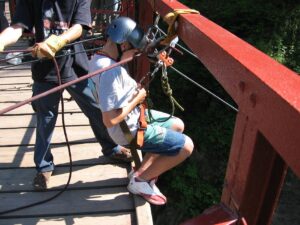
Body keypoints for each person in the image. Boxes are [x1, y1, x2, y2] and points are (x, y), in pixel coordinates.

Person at [0, 0, 132, 191]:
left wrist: (59, 40)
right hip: (44, 69)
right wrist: (3, 39)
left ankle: (112, 148)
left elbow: (80, 26)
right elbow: (18, 26)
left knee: (96, 108)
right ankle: (44, 167)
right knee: (46, 118)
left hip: (75, 66)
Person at [89, 17, 194, 205]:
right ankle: (140, 181)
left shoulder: (98, 59)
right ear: (124, 44)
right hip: (127, 129)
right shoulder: (110, 72)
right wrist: (136, 99)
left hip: (131, 118)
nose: (136, 54)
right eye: (134, 49)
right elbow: (110, 120)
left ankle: (140, 172)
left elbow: (113, 93)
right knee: (186, 146)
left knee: (178, 125)